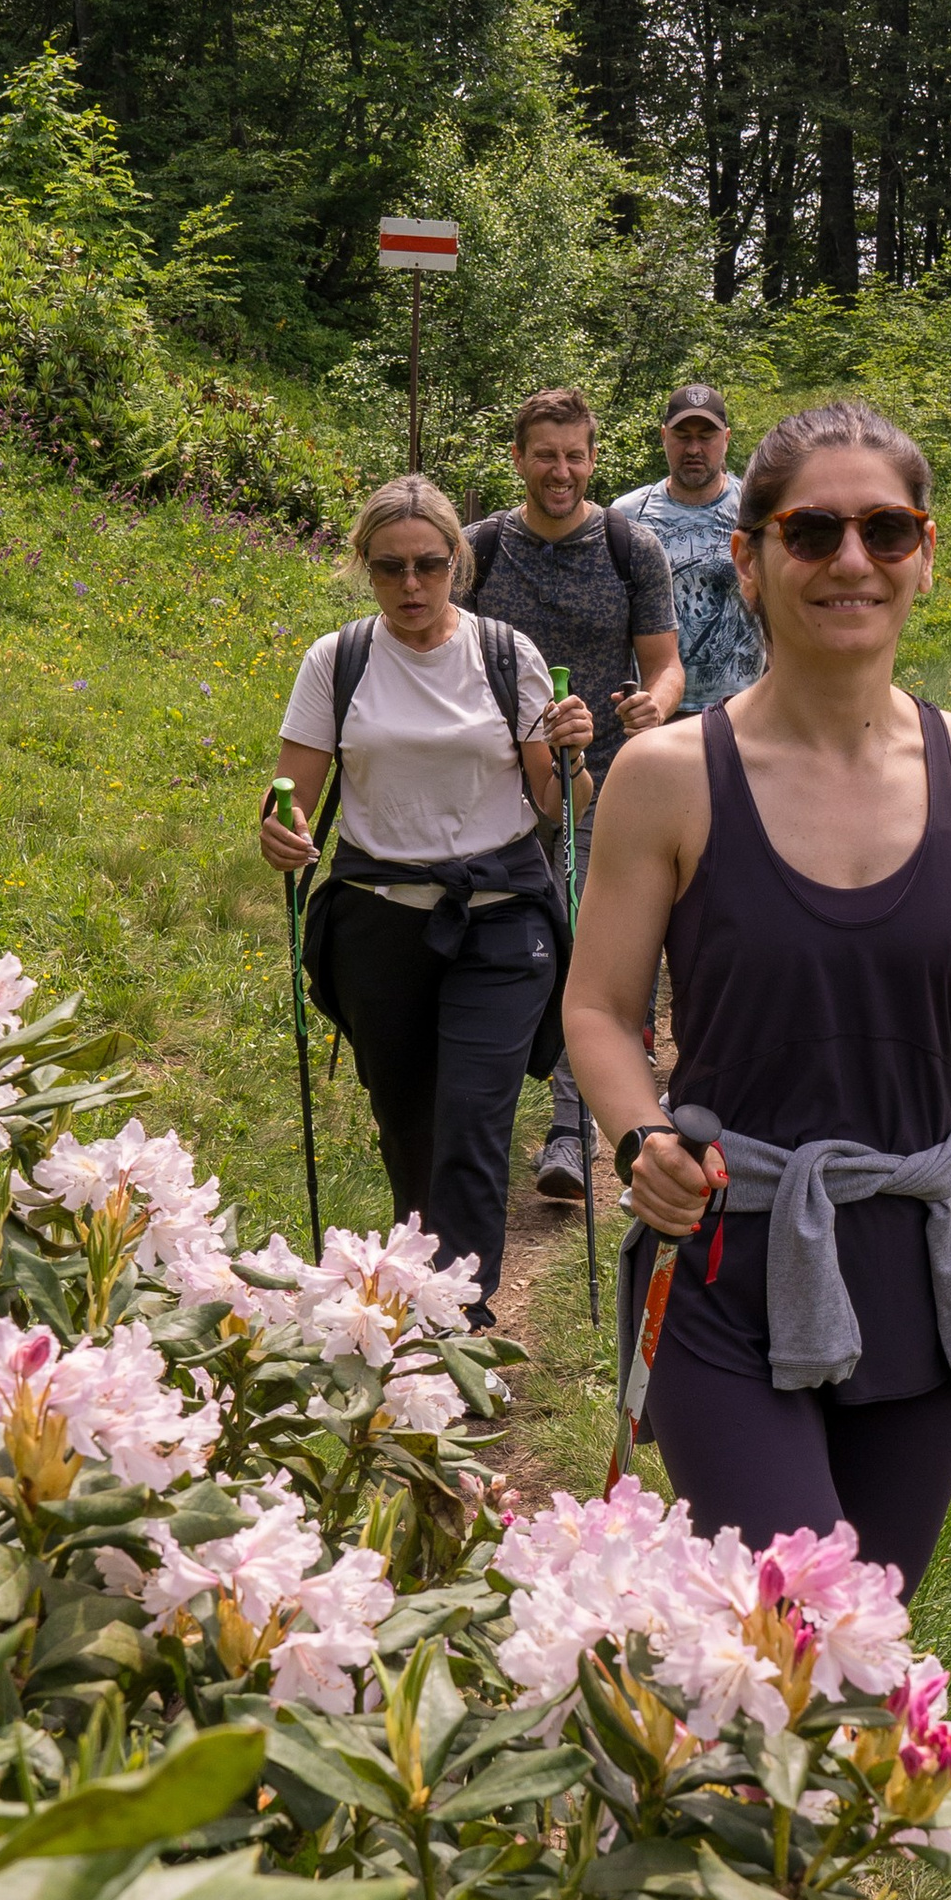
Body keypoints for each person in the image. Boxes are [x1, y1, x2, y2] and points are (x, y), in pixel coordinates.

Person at [562, 397, 951, 1595]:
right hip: (726, 1252)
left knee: (867, 1637)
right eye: (811, 531)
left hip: (921, 1257)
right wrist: (640, 1138)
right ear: (749, 556)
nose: (849, 561)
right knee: (800, 1635)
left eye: (887, 531)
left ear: (925, 557)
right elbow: (595, 1010)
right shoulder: (668, 777)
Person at [261, 475, 593, 1322]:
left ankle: (462, 1322)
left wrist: (573, 757)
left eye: (429, 565)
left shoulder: (505, 654)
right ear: (365, 569)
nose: (411, 585)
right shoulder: (338, 660)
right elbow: (289, 793)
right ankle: (419, 1288)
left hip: (501, 914)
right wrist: (280, 833)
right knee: (408, 1124)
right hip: (379, 919)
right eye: (388, 568)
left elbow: (557, 805)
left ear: (459, 561)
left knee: (473, 1123)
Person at [459, 389, 680, 1204]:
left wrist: (656, 703)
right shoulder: (477, 551)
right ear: (517, 458)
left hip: (613, 783)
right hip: (496, 786)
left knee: (593, 944)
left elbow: (664, 662)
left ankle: (569, 1128)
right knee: (522, 944)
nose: (561, 471)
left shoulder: (631, 548)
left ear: (594, 459)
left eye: (575, 456)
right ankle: (480, 1114)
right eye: (545, 455)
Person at [610, 381, 766, 719]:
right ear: (664, 436)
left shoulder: (753, 511)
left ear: (725, 439)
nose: (694, 448)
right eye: (683, 436)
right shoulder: (627, 516)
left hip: (743, 708)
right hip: (654, 712)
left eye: (706, 436)